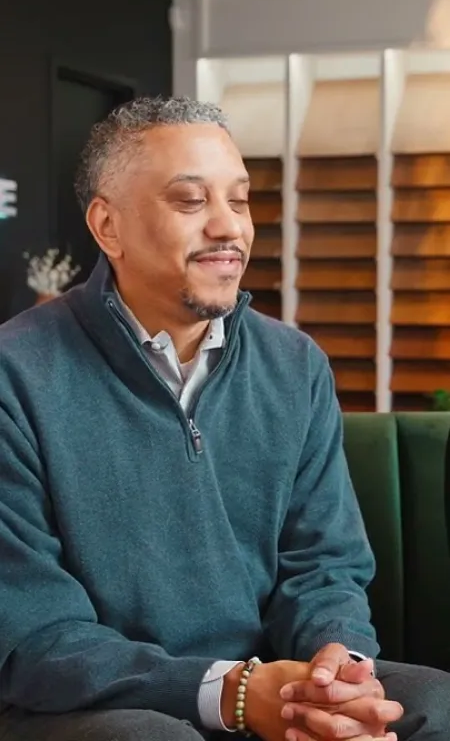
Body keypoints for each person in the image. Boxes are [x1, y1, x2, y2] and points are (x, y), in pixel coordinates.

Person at [0, 96, 448, 741]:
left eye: (238, 201)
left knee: (436, 702)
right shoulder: (16, 373)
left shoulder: (294, 364)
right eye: (190, 202)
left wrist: (336, 669)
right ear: (108, 226)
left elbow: (324, 565)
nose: (228, 228)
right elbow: (33, 635)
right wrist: (229, 693)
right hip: (90, 706)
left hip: (274, 681)